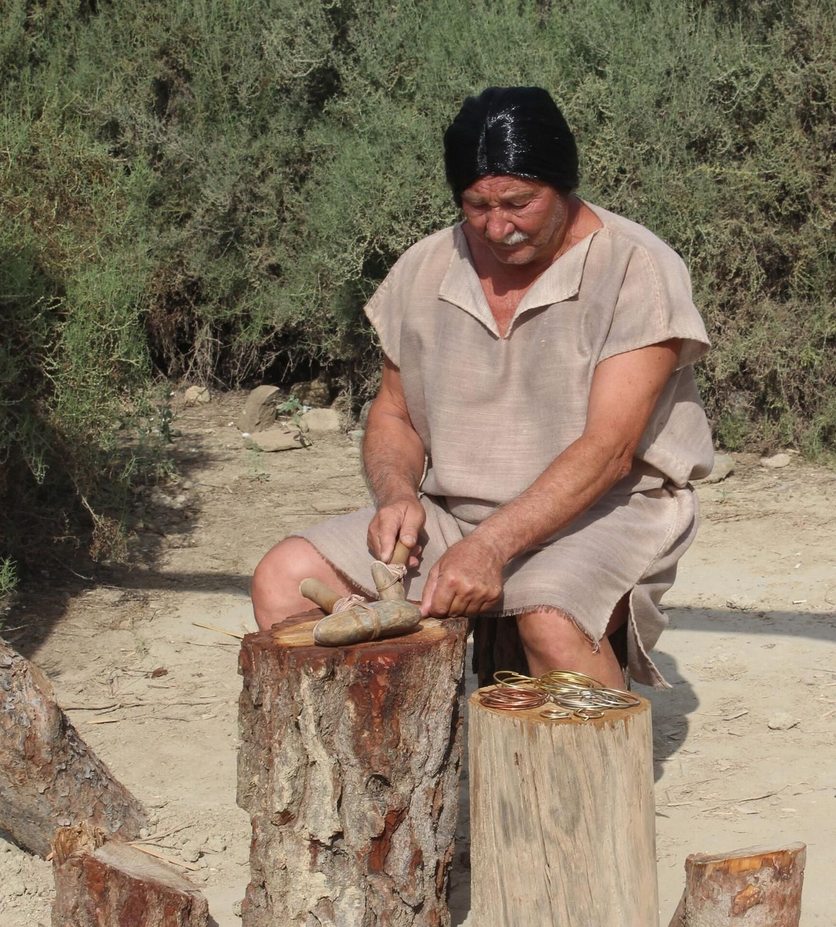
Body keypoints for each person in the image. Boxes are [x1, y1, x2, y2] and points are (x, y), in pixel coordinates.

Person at [250, 86, 713, 688]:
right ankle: (386, 777)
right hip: (455, 515)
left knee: (551, 621)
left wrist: (491, 548)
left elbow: (610, 450)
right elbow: (393, 414)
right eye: (476, 206)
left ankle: (586, 783)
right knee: (283, 576)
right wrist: (396, 495)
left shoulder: (634, 267)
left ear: (564, 187)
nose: (499, 228)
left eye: (520, 203)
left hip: (607, 510)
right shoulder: (425, 266)